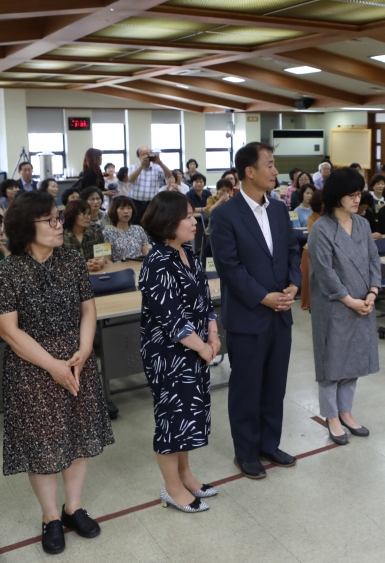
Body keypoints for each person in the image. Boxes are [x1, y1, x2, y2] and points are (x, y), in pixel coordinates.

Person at [0, 191, 114, 555]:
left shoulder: (72, 260)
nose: (59, 225)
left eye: (57, 218)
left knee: (77, 437)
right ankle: (50, 517)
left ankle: (72, 507)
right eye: (50, 220)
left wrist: (86, 348)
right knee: (43, 445)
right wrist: (53, 365)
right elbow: (10, 331)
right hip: (32, 366)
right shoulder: (7, 270)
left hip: (76, 359)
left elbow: (88, 310)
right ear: (25, 227)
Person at [210, 142, 301, 480]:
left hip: (282, 312)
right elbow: (229, 268)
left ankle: (269, 443)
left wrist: (294, 284)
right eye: (271, 165)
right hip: (250, 314)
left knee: (275, 385)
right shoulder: (224, 215)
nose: (276, 171)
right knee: (247, 386)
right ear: (250, 171)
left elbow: (293, 251)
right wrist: (264, 297)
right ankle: (246, 451)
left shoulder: (278, 209)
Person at [138, 191, 221, 513]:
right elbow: (171, 319)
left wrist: (213, 336)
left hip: (196, 349)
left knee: (189, 417)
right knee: (172, 420)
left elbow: (205, 299)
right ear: (167, 222)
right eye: (186, 216)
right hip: (169, 356)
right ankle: (172, 488)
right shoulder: (157, 262)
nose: (194, 220)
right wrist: (203, 348)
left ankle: (185, 475)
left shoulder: (187, 251)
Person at [308, 168, 381, 445]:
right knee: (332, 364)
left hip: (364, 301)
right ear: (336, 196)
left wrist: (373, 292)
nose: (356, 199)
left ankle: (346, 412)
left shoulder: (362, 224)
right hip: (335, 305)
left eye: (359, 193)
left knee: (354, 362)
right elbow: (325, 272)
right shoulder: (321, 229)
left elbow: (374, 260)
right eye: (351, 194)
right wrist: (350, 300)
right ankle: (332, 416)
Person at [128, 146, 172, 224]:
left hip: (152, 203)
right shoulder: (133, 167)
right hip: (135, 203)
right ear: (139, 157)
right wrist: (142, 165)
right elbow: (130, 179)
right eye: (143, 154)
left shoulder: (157, 167)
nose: (146, 156)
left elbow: (169, 175)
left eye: (148, 154)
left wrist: (160, 163)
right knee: (136, 226)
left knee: (152, 225)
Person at [62, 199, 107, 272]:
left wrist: (101, 261)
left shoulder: (96, 229)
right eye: (84, 213)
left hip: (96, 272)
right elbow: (61, 262)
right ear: (72, 215)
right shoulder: (62, 236)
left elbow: (103, 254)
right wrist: (83, 266)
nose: (88, 217)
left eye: (89, 213)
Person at [103, 196, 152, 262]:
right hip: (119, 269)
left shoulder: (139, 229)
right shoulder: (107, 233)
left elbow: (146, 254)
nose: (126, 211)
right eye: (122, 208)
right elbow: (107, 260)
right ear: (114, 210)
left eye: (129, 208)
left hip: (139, 267)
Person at [299, 190, 325, 312]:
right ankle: (311, 303)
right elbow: (313, 236)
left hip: (327, 250)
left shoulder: (333, 215)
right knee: (311, 279)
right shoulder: (313, 216)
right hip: (312, 251)